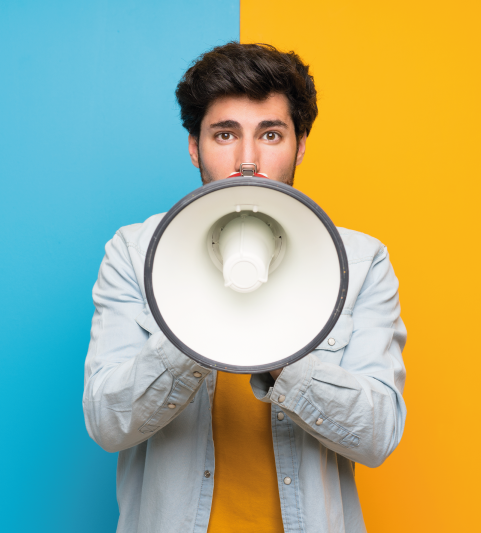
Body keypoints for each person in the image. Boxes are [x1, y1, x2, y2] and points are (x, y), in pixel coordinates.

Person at [83, 42, 407, 533]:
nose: (248, 160)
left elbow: (378, 432)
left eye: (271, 134)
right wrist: (199, 325)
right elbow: (107, 424)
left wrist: (276, 348)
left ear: (300, 145)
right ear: (195, 145)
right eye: (225, 133)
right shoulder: (134, 252)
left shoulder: (360, 262)